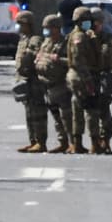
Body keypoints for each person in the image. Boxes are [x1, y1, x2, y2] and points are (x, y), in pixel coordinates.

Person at [65, 6, 103, 154]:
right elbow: (78, 60)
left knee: (78, 109)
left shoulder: (81, 35)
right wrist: (88, 81)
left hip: (78, 76)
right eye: (87, 20)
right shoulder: (79, 37)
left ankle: (77, 143)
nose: (90, 23)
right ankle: (94, 143)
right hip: (82, 77)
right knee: (91, 110)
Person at [35, 14, 73, 154]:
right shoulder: (46, 43)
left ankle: (73, 143)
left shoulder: (64, 43)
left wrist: (58, 59)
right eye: (45, 28)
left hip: (61, 85)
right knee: (56, 116)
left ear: (57, 28)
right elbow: (39, 57)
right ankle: (62, 142)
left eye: (49, 28)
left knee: (66, 116)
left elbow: (72, 61)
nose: (47, 31)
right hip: (47, 85)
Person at [13, 11, 47, 153]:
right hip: (24, 81)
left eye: (21, 24)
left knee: (38, 113)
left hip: (34, 82)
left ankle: (40, 141)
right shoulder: (23, 40)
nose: (19, 27)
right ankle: (32, 141)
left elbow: (32, 57)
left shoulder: (35, 40)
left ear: (28, 24)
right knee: (29, 113)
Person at [91, 8, 112, 155]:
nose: (95, 25)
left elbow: (105, 55)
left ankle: (105, 141)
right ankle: (95, 142)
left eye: (97, 22)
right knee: (90, 112)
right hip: (89, 77)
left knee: (104, 112)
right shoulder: (86, 36)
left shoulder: (106, 37)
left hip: (102, 78)